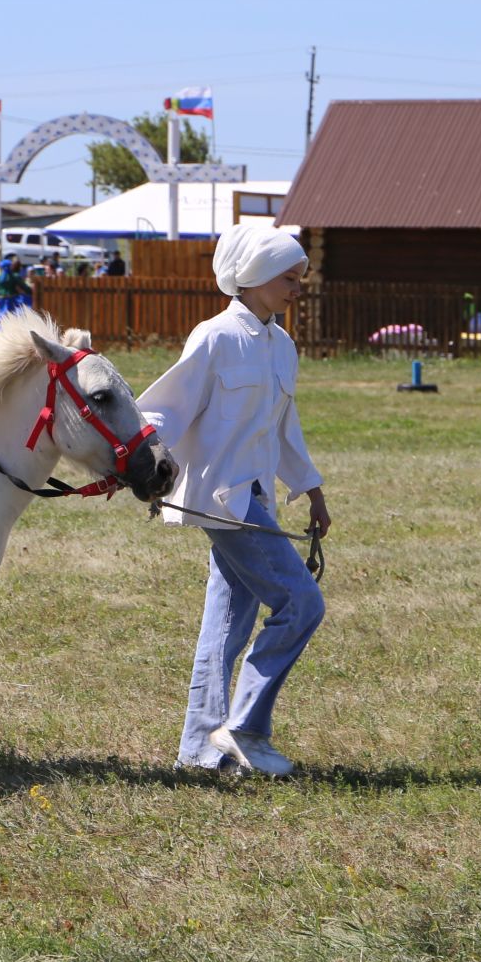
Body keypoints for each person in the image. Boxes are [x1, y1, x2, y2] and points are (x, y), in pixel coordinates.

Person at [137, 223, 330, 777]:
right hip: (221, 501)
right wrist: (141, 453)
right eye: (288, 278)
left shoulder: (282, 345)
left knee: (225, 626)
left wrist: (311, 488)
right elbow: (170, 405)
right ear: (251, 278)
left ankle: (199, 754)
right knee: (301, 604)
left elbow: (284, 428)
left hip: (259, 498)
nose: (297, 287)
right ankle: (244, 726)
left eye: (300, 278)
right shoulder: (215, 336)